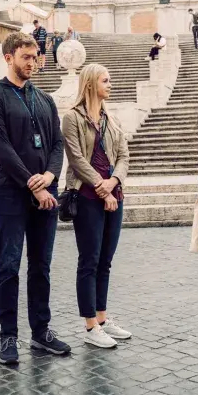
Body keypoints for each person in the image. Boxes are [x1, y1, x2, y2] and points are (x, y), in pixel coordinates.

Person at [0, 32, 70, 365]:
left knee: (41, 266)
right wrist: (34, 186)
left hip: (46, 192)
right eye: (26, 57)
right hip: (10, 193)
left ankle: (41, 331)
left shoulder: (45, 99)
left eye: (35, 58)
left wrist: (49, 177)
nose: (32, 63)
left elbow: (58, 145)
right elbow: (1, 149)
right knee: (8, 265)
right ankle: (8, 336)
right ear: (9, 57)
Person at [62, 64, 132, 348]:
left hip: (114, 195)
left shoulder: (111, 119)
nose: (111, 84)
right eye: (106, 80)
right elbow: (77, 159)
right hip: (89, 198)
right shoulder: (72, 118)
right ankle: (90, 325)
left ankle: (102, 319)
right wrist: (103, 189)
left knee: (106, 261)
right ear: (90, 83)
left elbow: (125, 156)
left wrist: (113, 182)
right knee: (89, 261)